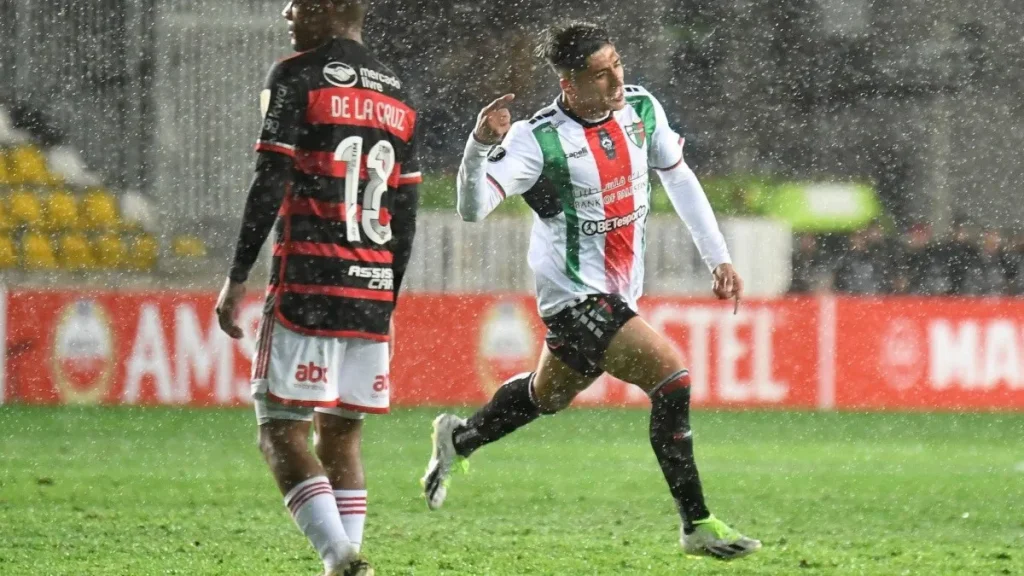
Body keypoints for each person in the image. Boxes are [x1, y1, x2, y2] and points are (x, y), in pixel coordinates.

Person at [421, 22, 761, 560]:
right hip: (573, 295)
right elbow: (472, 208)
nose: (615, 80)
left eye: (617, 65)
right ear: (570, 82)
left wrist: (718, 256)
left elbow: (677, 176)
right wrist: (479, 146)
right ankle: (695, 524)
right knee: (671, 377)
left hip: (620, 293)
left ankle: (458, 438)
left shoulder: (642, 109)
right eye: (600, 74)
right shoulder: (536, 139)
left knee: (545, 396)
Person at [214, 1, 421, 574]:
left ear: (330, 7)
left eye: (300, 0)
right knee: (343, 436)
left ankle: (339, 558)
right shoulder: (400, 93)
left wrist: (236, 277)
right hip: (371, 289)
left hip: (308, 280)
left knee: (280, 431)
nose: (286, 10)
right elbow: (405, 212)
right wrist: (388, 298)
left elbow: (270, 178)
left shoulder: (296, 75)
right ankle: (349, 559)